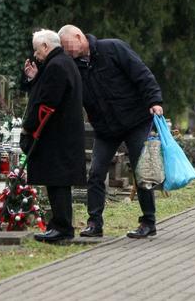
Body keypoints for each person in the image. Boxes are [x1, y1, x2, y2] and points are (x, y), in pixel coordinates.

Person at [58, 25, 163, 239]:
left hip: (135, 121)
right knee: (96, 172)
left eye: (67, 46)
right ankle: (94, 223)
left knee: (141, 171)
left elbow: (141, 73)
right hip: (106, 128)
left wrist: (155, 101)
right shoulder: (74, 67)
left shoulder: (113, 48)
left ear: (79, 37)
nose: (66, 52)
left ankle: (148, 221)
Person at [20, 29, 86, 243]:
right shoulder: (63, 63)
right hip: (63, 134)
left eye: (37, 50)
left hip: (56, 136)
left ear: (46, 47)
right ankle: (59, 225)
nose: (35, 55)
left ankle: (62, 227)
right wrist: (34, 79)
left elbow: (46, 103)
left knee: (57, 182)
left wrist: (30, 126)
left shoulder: (56, 66)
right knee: (58, 183)